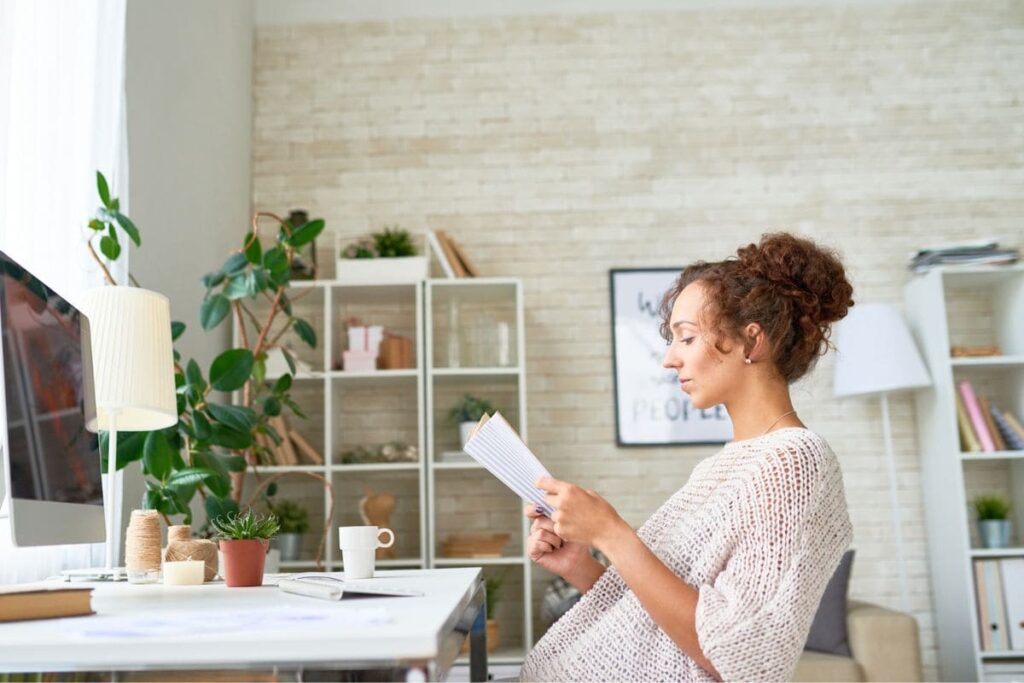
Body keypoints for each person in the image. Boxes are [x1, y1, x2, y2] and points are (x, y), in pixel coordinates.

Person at [519, 232, 855, 682]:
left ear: (751, 342)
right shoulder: (722, 466)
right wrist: (581, 564)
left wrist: (612, 533)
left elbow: (738, 655)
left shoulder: (795, 463)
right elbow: (660, 622)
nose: (669, 360)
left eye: (687, 338)